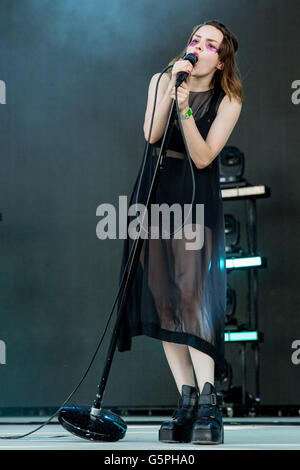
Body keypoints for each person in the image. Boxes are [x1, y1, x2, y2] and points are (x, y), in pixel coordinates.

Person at [117, 20, 242, 445]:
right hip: (155, 189)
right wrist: (173, 90)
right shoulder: (163, 79)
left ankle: (210, 399)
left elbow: (205, 156)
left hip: (194, 192)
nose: (199, 48)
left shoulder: (229, 99)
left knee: (191, 292)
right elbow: (152, 134)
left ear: (221, 58)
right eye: (195, 40)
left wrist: (187, 106)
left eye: (210, 44)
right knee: (162, 296)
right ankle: (185, 397)